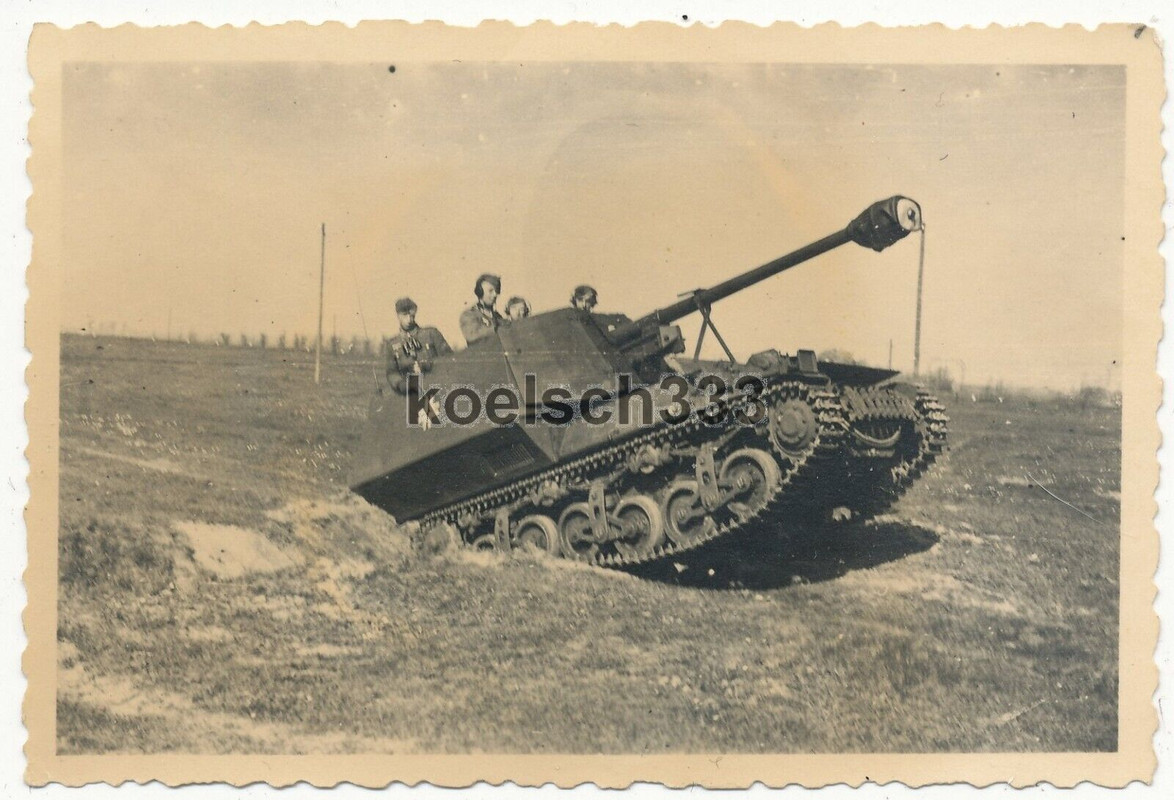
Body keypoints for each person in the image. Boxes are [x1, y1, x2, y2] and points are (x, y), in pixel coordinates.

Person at [386, 297, 452, 394]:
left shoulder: (430, 334)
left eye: (412, 315)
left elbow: (449, 359)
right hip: (409, 393)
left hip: (436, 388)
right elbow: (391, 372)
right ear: (398, 315)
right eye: (405, 315)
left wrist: (427, 364)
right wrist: (400, 384)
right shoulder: (393, 344)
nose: (409, 319)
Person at [459, 273, 507, 345]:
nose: (495, 294)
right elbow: (472, 335)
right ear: (480, 292)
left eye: (496, 291)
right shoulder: (469, 315)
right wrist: (495, 327)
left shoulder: (497, 316)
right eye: (490, 291)